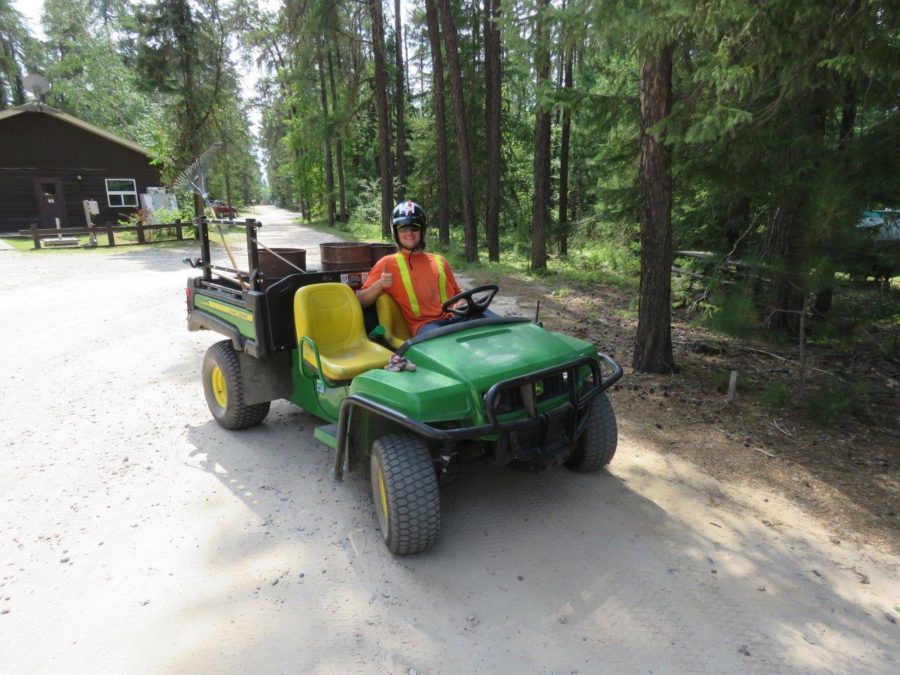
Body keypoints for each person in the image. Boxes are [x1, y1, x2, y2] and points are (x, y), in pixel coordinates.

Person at [357, 201, 492, 336]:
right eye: (403, 228)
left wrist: (461, 301)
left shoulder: (440, 260)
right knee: (445, 344)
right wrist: (380, 284)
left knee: (494, 321)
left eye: (414, 228)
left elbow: (458, 292)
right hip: (427, 325)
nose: (409, 233)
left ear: (422, 230)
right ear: (395, 232)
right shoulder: (386, 263)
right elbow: (361, 301)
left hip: (456, 317)